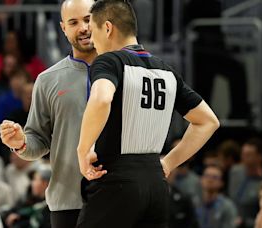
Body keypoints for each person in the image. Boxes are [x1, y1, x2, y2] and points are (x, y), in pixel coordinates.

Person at [76, 0, 219, 227]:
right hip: (156, 185)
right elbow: (208, 121)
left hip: (116, 183)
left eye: (93, 31)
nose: (91, 41)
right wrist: (169, 162)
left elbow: (102, 98)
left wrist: (83, 150)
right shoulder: (166, 70)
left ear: (108, 28)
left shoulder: (109, 61)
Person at [0, 0, 97, 226]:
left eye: (88, 19)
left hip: (119, 199)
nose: (82, 27)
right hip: (68, 201)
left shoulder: (126, 71)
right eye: (73, 22)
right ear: (63, 28)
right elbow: (39, 141)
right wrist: (21, 142)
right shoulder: (47, 79)